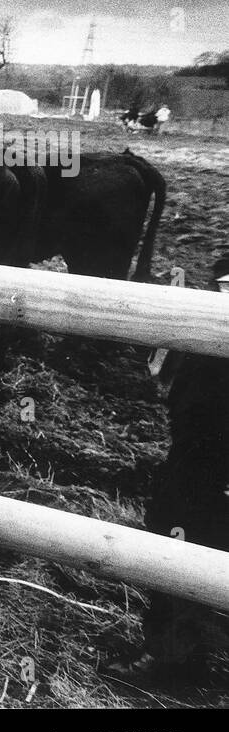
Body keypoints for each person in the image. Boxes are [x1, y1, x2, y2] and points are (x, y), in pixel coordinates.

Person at [111, 256, 229, 685]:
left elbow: (186, 408)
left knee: (176, 528)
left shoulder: (214, 331)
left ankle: (169, 654)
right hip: (207, 453)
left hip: (205, 458)